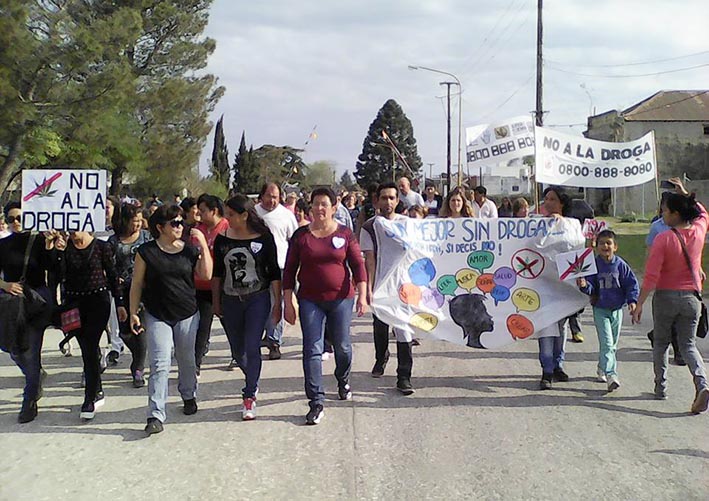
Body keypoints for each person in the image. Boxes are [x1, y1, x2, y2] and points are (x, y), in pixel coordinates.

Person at [283, 187, 367, 425]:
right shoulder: (301, 236)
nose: (319, 209)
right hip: (310, 300)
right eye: (316, 204)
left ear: (333, 207)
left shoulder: (345, 234)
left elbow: (357, 265)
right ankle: (316, 401)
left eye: (324, 204)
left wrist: (362, 294)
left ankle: (343, 378)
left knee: (342, 346)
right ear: (310, 207)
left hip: (341, 299)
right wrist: (288, 301)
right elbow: (289, 270)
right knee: (312, 349)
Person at [130, 205, 212, 435]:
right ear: (160, 227)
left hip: (187, 313)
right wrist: (134, 311)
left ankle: (188, 394)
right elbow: (136, 283)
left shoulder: (189, 250)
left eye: (181, 222)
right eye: (174, 223)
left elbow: (205, 274)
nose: (180, 226)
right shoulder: (146, 251)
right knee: (159, 363)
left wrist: (203, 246)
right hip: (157, 315)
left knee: (186, 360)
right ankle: (155, 414)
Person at [631, 178, 709, 414]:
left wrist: (639, 303)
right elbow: (702, 212)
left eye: (665, 211)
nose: (662, 215)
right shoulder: (698, 230)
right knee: (688, 344)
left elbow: (651, 276)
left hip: (665, 296)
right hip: (691, 298)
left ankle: (660, 387)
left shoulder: (663, 239)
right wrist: (685, 194)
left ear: (675, 214)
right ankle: (702, 383)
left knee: (661, 342)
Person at [212, 195, 281, 421]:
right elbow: (217, 274)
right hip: (230, 300)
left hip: (257, 299)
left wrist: (278, 302)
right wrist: (216, 302)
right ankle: (252, 374)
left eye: (231, 214)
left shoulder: (264, 238)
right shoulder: (222, 240)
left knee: (252, 346)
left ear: (244, 215)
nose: (227, 218)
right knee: (237, 352)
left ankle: (249, 393)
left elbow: (273, 273)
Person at [55, 230, 121, 420]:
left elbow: (112, 276)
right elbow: (56, 276)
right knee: (88, 349)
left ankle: (89, 397)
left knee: (89, 347)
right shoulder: (65, 248)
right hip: (74, 304)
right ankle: (97, 388)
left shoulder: (102, 247)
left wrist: (121, 304)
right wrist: (56, 252)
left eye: (76, 227)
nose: (73, 232)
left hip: (98, 302)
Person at [0, 202, 55, 423]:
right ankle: (35, 375)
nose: (16, 222)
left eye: (20, 218)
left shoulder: (40, 241)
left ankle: (29, 400)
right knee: (14, 349)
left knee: (31, 350)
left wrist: (51, 246)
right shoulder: (3, 245)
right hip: (12, 303)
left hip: (36, 302)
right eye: (11, 218)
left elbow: (53, 269)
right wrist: (5, 286)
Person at [360, 183, 415, 394]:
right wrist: (370, 288)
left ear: (397, 200)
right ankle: (381, 357)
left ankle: (404, 376)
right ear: (377, 201)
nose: (388, 202)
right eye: (384, 198)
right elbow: (370, 260)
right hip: (382, 285)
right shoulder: (370, 227)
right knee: (380, 326)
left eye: (392, 198)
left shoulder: (408, 224)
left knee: (403, 328)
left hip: (404, 286)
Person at [577, 230, 639, 392]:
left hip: (617, 310)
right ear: (596, 247)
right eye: (602, 243)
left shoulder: (620, 265)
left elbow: (631, 284)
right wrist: (584, 285)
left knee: (612, 345)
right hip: (600, 309)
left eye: (609, 243)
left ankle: (602, 367)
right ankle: (612, 374)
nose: (605, 246)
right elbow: (590, 287)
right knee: (607, 343)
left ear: (615, 247)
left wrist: (632, 302)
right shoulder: (593, 265)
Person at [109, 204, 152, 387]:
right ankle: (137, 355)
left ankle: (138, 369)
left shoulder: (146, 237)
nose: (138, 224)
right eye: (134, 221)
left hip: (143, 289)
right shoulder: (114, 241)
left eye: (140, 220)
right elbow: (109, 265)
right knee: (125, 331)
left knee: (139, 329)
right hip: (121, 291)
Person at [255, 183, 298, 360]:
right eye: (269, 196)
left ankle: (274, 341)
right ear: (261, 196)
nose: (272, 200)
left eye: (276, 196)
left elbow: (294, 241)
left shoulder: (286, 215)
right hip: (256, 266)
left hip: (279, 266)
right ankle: (255, 338)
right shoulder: (253, 213)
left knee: (276, 303)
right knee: (257, 304)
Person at [538, 186, 572, 390]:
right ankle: (546, 370)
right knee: (545, 328)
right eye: (546, 199)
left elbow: (575, 248)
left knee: (561, 328)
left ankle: (558, 364)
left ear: (562, 203)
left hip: (564, 286)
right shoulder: (535, 224)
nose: (548, 202)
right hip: (542, 284)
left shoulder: (571, 225)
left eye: (552, 199)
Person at [646, 191, 684, 365]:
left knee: (677, 317)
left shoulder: (685, 224)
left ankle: (662, 339)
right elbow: (650, 251)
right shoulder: (657, 227)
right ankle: (678, 352)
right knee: (671, 316)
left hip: (682, 276)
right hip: (663, 278)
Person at [193, 194, 229, 375]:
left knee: (229, 323)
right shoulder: (197, 230)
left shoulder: (226, 228)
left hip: (222, 286)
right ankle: (195, 364)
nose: (199, 215)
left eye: (203, 211)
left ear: (214, 211)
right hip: (200, 286)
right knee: (201, 326)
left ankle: (240, 354)